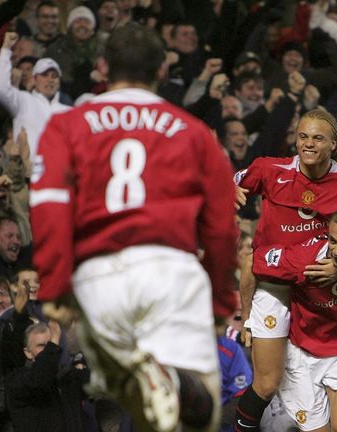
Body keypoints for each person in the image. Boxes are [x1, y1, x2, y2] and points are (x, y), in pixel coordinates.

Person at [29, 26, 239, 432]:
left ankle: (159, 380)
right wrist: (219, 301)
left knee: (147, 411)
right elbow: (220, 229)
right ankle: (177, 381)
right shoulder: (193, 132)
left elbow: (49, 206)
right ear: (162, 69)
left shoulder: (66, 125)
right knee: (201, 415)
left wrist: (54, 282)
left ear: (103, 67)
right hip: (171, 272)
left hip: (99, 279)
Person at [233, 109, 337, 431]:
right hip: (276, 279)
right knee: (268, 383)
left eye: (317, 138)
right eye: (303, 136)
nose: (308, 144)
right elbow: (230, 181)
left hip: (322, 275)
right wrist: (226, 189)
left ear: (334, 145)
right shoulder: (269, 169)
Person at [245, 206, 337, 431]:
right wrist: (246, 318)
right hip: (302, 352)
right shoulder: (301, 259)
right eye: (333, 241)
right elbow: (249, 262)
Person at [0, 32, 70, 161]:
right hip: (25, 175)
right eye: (44, 75)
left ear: (59, 81)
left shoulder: (68, 112)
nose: (49, 80)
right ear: (34, 79)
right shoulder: (23, 101)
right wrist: (6, 49)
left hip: (57, 176)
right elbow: (1, 88)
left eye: (54, 76)